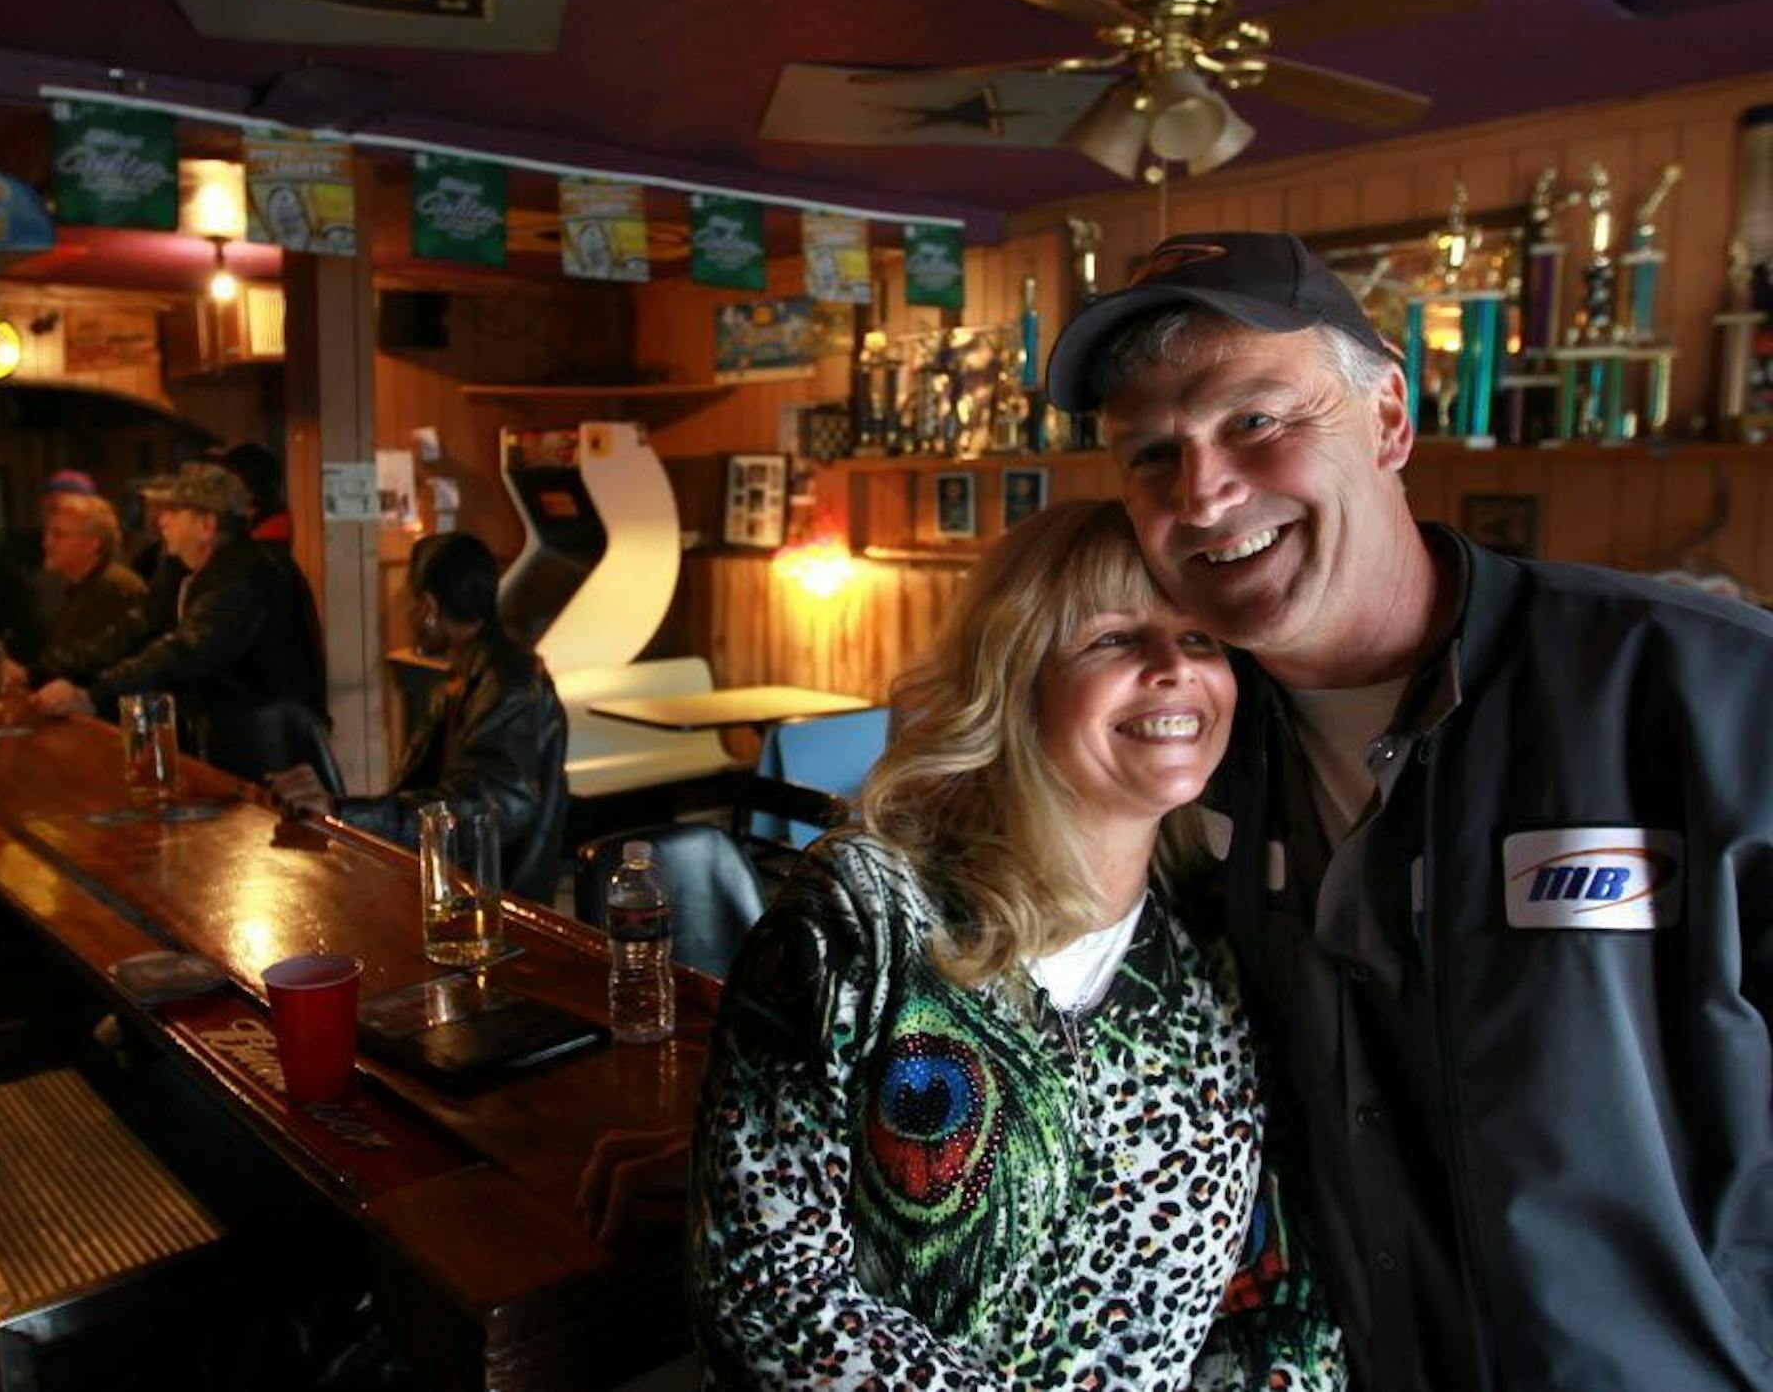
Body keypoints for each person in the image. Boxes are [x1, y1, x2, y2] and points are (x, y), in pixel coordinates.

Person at [1044, 230, 1773, 1391]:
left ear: (1389, 418)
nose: (1205, 492)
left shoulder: (1710, 693)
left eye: (1256, 420)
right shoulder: (1174, 760)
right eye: (1149, 453)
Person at [688, 500, 1343, 1390]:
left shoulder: (1222, 942)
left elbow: (1280, 1291)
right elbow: (769, 1293)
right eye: (1114, 638)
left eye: (1200, 640)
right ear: (1015, 674)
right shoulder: (861, 918)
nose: (1172, 670)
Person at [269, 532, 569, 906]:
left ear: (429, 607)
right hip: (467, 894)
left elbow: (490, 806)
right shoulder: (475, 672)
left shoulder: (508, 683)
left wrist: (347, 813)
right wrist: (341, 808)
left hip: (497, 915)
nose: (408, 612)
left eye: (410, 601)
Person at [31, 463, 326, 780]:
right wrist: (46, 673)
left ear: (206, 525)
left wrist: (94, 696)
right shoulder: (186, 574)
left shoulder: (244, 573)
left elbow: (186, 652)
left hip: (269, 758)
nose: (162, 520)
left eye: (174, 510)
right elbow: (135, 630)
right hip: (231, 747)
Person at [15, 492, 145, 684]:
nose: (46, 543)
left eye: (59, 535)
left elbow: (88, 663)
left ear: (92, 544)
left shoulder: (114, 588)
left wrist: (28, 674)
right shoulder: (78, 585)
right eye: (47, 534)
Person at [0, 469, 99, 665]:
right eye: (51, 511)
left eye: (67, 513)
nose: (56, 520)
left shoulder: (110, 567)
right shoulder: (17, 550)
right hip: (26, 670)